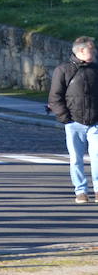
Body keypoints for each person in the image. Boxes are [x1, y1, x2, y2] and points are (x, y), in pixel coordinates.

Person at [49, 37, 98, 204]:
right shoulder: (63, 70)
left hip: (95, 122)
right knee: (76, 158)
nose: (95, 51)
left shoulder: (96, 69)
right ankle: (81, 191)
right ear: (81, 51)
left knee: (97, 156)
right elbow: (55, 97)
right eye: (92, 49)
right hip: (74, 122)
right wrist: (65, 118)